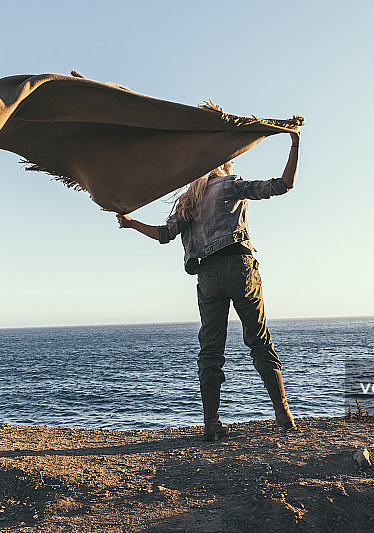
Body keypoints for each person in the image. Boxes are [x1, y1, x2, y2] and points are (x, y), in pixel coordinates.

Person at [117, 131, 300, 441]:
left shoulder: (190, 200)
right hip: (240, 269)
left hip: (208, 278)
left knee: (210, 352)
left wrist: (132, 222)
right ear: (225, 164)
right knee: (259, 341)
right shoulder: (231, 185)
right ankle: (283, 416)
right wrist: (295, 143)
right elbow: (283, 185)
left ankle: (212, 424)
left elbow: (164, 235)